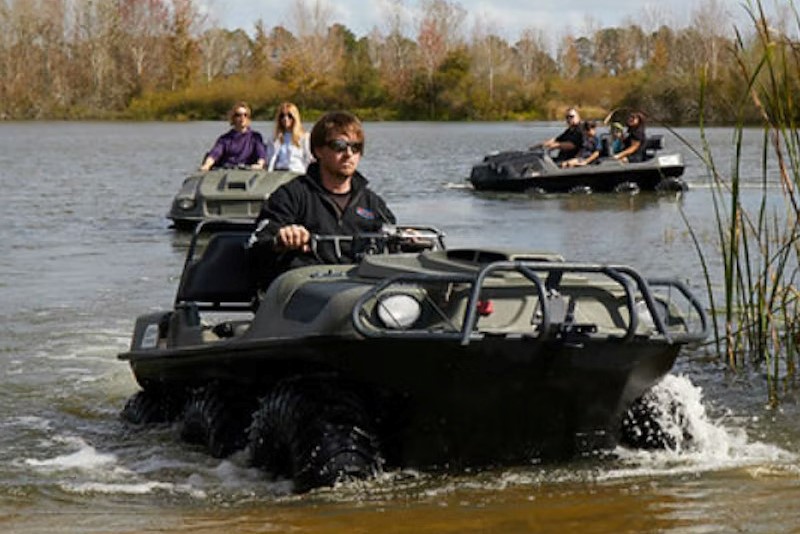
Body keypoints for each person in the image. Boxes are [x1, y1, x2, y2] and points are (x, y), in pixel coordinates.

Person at [248, 110, 396, 280]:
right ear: (318, 150)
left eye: (356, 147)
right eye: (339, 146)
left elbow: (392, 242)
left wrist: (411, 242)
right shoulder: (291, 195)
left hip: (358, 288)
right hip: (307, 288)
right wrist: (281, 239)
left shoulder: (372, 203)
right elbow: (256, 244)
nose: (349, 154)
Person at [200, 101, 267, 171]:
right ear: (233, 118)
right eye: (239, 115)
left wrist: (260, 164)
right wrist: (207, 165)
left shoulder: (255, 137)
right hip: (227, 170)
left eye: (245, 115)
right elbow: (215, 154)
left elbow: (261, 154)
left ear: (248, 118)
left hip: (248, 171)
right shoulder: (225, 139)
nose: (242, 118)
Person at [265, 102, 314, 173]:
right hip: (278, 173)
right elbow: (269, 160)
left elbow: (309, 159)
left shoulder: (305, 137)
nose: (285, 119)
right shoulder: (274, 138)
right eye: (282, 116)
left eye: (289, 116)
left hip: (297, 173)